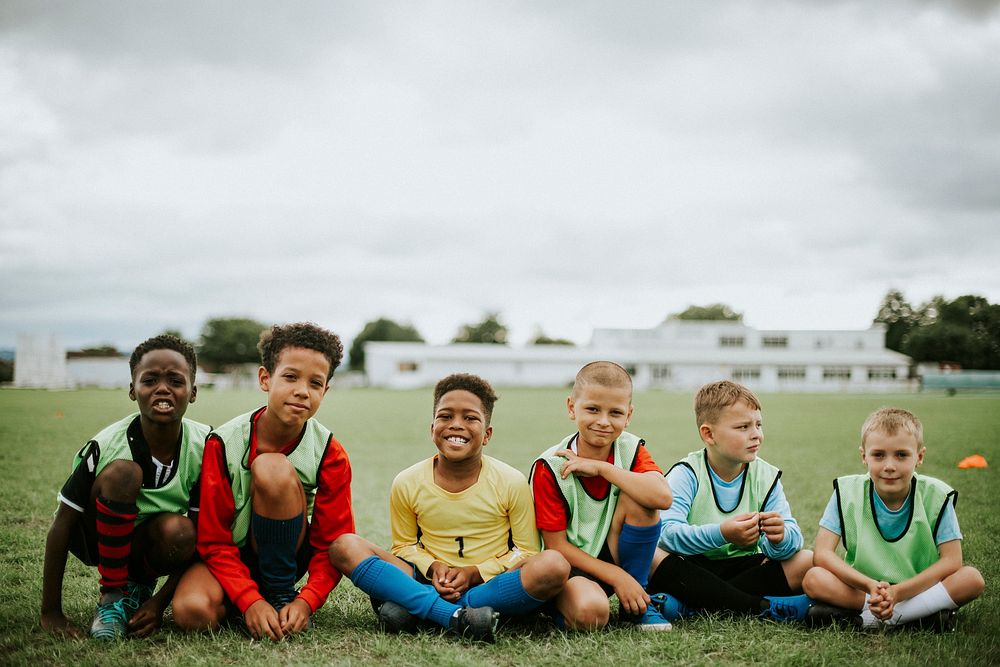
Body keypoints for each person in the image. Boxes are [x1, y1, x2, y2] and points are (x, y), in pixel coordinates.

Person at [329, 373, 569, 642]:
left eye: (470, 418)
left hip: (489, 583)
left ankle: (419, 608)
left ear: (487, 434)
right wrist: (433, 567)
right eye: (445, 416)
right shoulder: (407, 481)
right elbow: (404, 547)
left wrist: (475, 572)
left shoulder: (511, 481)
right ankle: (456, 616)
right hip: (425, 578)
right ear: (432, 428)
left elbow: (526, 550)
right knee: (344, 546)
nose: (456, 425)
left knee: (554, 565)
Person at [171, 322, 354, 641]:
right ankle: (250, 602)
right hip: (228, 556)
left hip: (286, 557)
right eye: (290, 376)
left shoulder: (329, 451)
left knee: (272, 467)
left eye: (315, 383)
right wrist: (249, 600)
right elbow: (213, 540)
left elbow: (331, 543)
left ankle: (278, 595)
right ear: (265, 379)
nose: (302, 390)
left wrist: (305, 602)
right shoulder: (224, 442)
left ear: (325, 391)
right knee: (192, 612)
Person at [40, 334, 210, 639]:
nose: (162, 388)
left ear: (193, 392)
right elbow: (63, 524)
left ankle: (139, 587)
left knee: (183, 530)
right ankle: (112, 598)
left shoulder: (206, 445)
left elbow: (205, 535)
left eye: (175, 380)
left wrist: (160, 603)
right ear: (133, 390)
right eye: (150, 380)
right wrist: (51, 612)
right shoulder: (107, 444)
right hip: (94, 539)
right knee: (124, 474)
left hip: (148, 543)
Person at [646, 380, 814, 623]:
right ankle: (760, 607)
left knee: (806, 560)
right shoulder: (687, 473)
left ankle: (692, 605)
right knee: (651, 553)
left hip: (744, 568)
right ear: (709, 434)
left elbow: (793, 539)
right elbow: (666, 533)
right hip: (691, 566)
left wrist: (780, 537)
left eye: (758, 425)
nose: (756, 434)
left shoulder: (766, 476)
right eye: (743, 427)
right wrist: (723, 534)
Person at [802, 407, 984, 629]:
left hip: (919, 589)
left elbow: (952, 561)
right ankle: (917, 617)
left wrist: (899, 592)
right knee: (814, 578)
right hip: (864, 590)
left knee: (971, 579)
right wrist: (870, 585)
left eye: (901, 455)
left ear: (919, 456)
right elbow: (822, 554)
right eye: (878, 455)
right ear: (863, 456)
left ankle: (867, 621)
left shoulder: (936, 495)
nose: (889, 466)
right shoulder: (846, 491)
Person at [529, 361, 673, 631]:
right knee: (592, 615)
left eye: (615, 413)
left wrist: (602, 468)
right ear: (572, 407)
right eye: (593, 409)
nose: (604, 421)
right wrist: (617, 576)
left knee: (642, 497)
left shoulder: (630, 448)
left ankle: (639, 603)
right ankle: (559, 605)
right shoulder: (550, 466)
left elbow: (662, 497)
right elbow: (556, 546)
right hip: (568, 568)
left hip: (611, 554)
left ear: (628, 415)